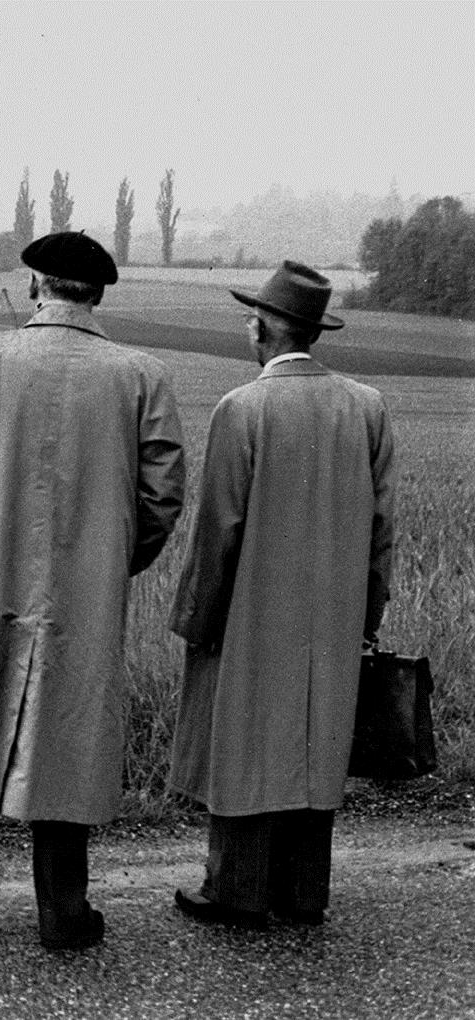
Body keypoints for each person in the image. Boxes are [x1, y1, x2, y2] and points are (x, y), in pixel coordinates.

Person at [0, 232, 186, 951]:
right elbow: (164, 494)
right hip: (85, 582)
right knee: (69, 731)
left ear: (35, 287)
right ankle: (63, 913)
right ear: (98, 293)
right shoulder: (140, 375)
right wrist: (117, 558)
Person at [167, 261, 396, 930]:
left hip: (252, 615)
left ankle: (234, 890)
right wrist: (368, 613)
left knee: (243, 744)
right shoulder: (367, 406)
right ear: (311, 331)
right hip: (334, 616)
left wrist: (198, 618)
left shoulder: (243, 409)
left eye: (251, 318)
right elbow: (383, 527)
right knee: (315, 745)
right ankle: (303, 893)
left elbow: (219, 530)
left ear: (263, 329)